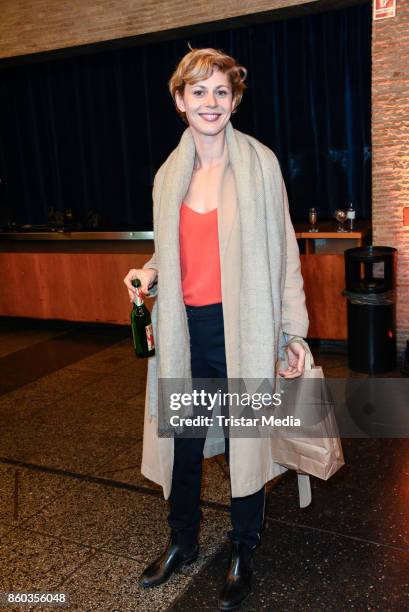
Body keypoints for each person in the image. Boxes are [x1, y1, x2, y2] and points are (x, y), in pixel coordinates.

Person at [124, 46, 310, 610]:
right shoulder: (168, 176)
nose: (211, 102)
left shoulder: (259, 163)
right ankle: (181, 542)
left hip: (244, 328)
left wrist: (292, 332)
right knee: (182, 445)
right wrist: (148, 274)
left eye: (221, 91)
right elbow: (172, 250)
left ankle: (242, 550)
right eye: (198, 91)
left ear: (234, 100)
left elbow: (284, 252)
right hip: (187, 331)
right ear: (180, 100)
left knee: (245, 444)